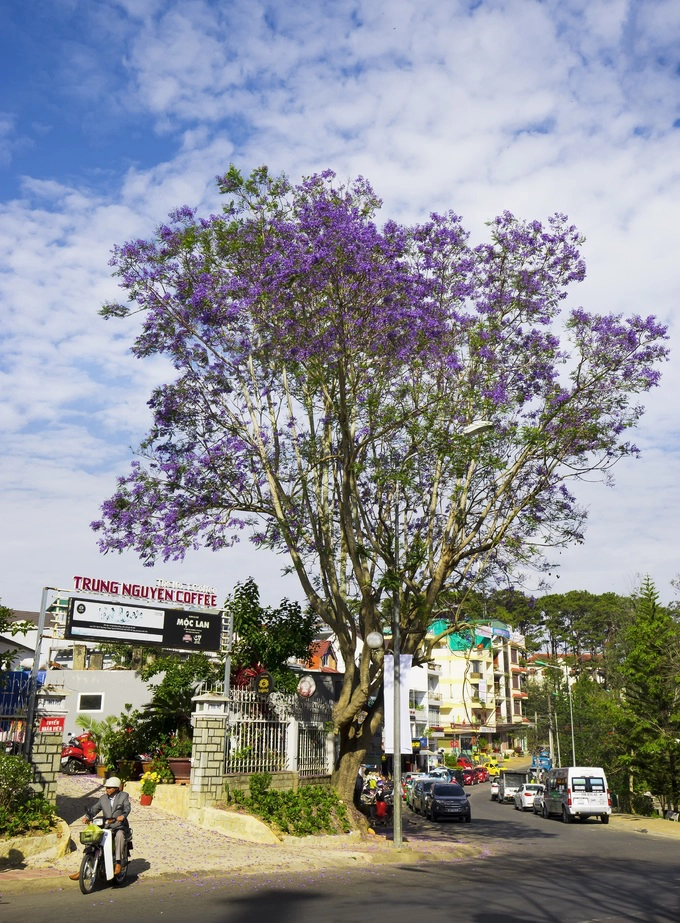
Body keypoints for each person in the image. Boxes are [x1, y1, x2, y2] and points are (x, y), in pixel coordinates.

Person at [69, 776, 131, 880]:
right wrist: (87, 817)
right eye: (106, 788)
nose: (107, 790)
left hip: (119, 825)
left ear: (116, 788)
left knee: (119, 836)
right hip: (106, 825)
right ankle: (84, 867)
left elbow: (127, 807)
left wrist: (123, 816)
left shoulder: (123, 796)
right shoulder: (103, 798)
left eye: (110, 788)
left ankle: (118, 863)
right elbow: (94, 809)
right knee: (92, 837)